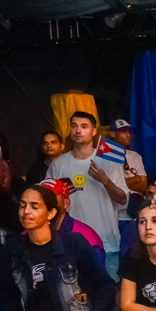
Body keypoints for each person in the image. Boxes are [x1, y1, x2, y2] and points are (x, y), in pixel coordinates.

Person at [46, 112, 129, 277]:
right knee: (75, 297)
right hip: (70, 243)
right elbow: (46, 202)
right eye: (74, 126)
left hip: (106, 243)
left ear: (93, 131)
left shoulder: (109, 160)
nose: (78, 130)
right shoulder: (58, 164)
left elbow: (123, 199)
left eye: (84, 126)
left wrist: (105, 180)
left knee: (108, 294)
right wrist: (59, 198)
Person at [38, 178, 105, 265]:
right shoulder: (31, 234)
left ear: (66, 203)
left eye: (51, 197)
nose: (46, 203)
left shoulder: (85, 234)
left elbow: (97, 274)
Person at [109, 119, 148, 195]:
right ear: (113, 134)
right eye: (123, 131)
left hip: (135, 199)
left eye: (129, 131)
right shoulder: (105, 155)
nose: (128, 135)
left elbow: (143, 186)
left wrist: (120, 183)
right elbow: (110, 185)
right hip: (115, 199)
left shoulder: (135, 156)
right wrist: (135, 179)